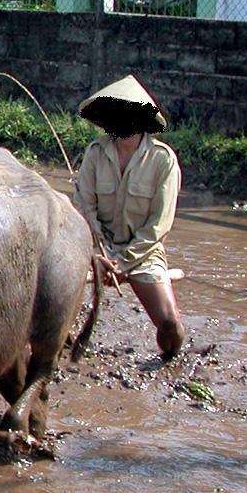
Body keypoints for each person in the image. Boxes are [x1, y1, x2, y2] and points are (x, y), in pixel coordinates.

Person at [73, 74, 186, 359]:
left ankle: (169, 359)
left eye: (128, 115)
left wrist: (123, 262)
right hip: (97, 250)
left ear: (141, 119)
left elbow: (159, 226)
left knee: (171, 325)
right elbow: (83, 208)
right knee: (51, 304)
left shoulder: (163, 160)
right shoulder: (96, 153)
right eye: (116, 115)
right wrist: (97, 254)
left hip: (142, 254)